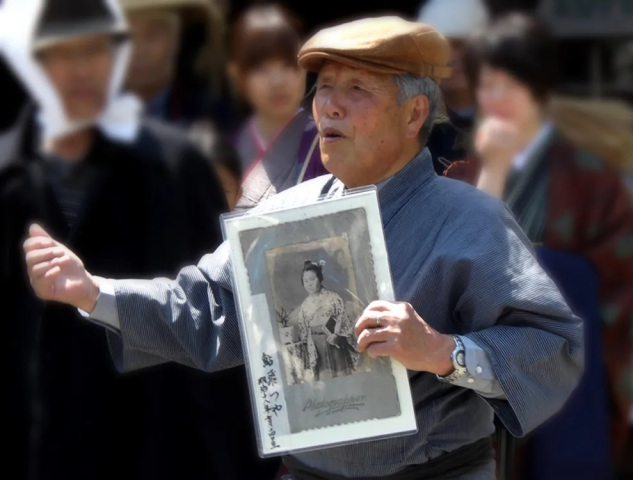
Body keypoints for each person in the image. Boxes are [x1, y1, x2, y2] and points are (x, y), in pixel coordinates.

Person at [23, 16, 584, 480]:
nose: (328, 108)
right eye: (324, 89)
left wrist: (442, 351)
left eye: (357, 90)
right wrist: (94, 291)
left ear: (414, 114)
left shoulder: (471, 220)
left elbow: (551, 346)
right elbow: (208, 310)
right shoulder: (286, 211)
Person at [0, 1, 270, 479]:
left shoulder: (175, 166)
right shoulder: (8, 174)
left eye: (95, 50)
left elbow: (218, 313)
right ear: (37, 65)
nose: (82, 68)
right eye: (63, 53)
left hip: (154, 445)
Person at [444, 13, 633, 465]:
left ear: (541, 87)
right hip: (484, 382)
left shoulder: (590, 178)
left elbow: (625, 281)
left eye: (513, 84)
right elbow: (454, 273)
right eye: (488, 85)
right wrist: (492, 172)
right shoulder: (462, 176)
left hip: (574, 381)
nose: (499, 98)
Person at [227, 4, 327, 209]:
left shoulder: (327, 144)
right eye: (261, 69)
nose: (277, 82)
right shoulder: (229, 149)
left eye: (288, 66)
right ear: (238, 75)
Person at [121, 0, 230, 129]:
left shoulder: (211, 113)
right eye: (127, 36)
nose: (139, 51)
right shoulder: (95, 114)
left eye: (153, 35)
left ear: (176, 38)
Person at [416, 0, 490, 174]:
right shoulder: (416, 124)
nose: (450, 58)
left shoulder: (507, 116)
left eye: (460, 45)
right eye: (440, 47)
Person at [298, 260, 356, 381]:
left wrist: (337, 335)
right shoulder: (304, 306)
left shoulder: (333, 298)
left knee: (341, 376)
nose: (309, 284)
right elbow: (304, 330)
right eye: (306, 281)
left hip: (334, 342)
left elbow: (343, 319)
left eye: (312, 279)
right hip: (316, 346)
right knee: (323, 379)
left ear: (320, 278)